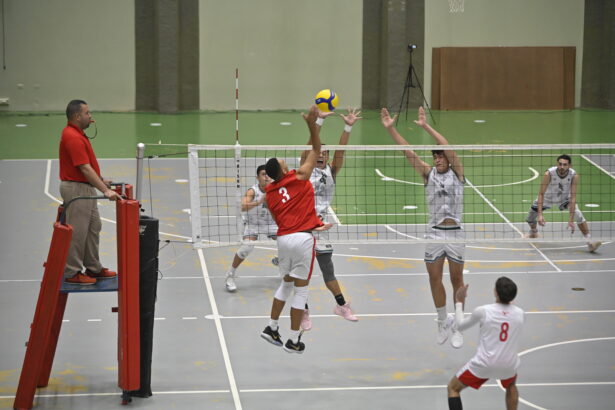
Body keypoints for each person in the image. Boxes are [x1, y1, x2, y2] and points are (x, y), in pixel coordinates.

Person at [381, 106, 465, 348]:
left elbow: (448, 146)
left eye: (441, 156)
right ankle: (442, 320)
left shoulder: (458, 174)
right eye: (435, 156)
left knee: (457, 280)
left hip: (456, 234)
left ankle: (459, 324)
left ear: (448, 158)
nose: (437, 158)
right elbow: (408, 151)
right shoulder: (428, 175)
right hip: (434, 233)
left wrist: (426, 126)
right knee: (433, 278)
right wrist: (391, 129)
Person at [260, 105, 332, 354]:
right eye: (283, 161)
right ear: (282, 170)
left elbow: (278, 217)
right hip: (302, 240)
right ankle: (293, 339)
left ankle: (271, 326)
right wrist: (312, 124)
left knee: (286, 284)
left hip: (283, 239)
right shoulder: (300, 176)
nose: (285, 161)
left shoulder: (269, 193)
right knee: (301, 290)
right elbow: (316, 150)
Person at [297, 108, 362, 330]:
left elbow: (341, 151)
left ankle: (342, 305)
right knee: (302, 273)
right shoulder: (305, 170)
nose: (322, 154)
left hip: (322, 228)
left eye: (325, 152)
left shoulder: (331, 171)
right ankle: (303, 311)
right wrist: (319, 122)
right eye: (319, 151)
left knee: (328, 270)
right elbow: (309, 148)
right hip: (302, 227)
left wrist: (348, 126)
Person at [59, 99, 122, 285]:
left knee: (93, 227)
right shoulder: (72, 136)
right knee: (78, 232)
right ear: (77, 116)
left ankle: (93, 267)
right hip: (77, 189)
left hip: (85, 188)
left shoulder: (78, 134)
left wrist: (101, 181)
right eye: (87, 113)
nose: (90, 116)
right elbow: (84, 168)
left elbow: (85, 169)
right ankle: (72, 273)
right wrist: (105, 190)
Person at [447, 277, 524, 410]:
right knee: (511, 385)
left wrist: (459, 302)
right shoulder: (520, 314)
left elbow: (460, 326)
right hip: (508, 364)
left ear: (496, 292)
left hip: (484, 363)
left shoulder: (483, 311)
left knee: (453, 388)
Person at [526, 154, 601, 252]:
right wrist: (540, 215)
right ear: (557, 164)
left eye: (565, 164)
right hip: (547, 198)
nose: (562, 167)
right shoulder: (549, 174)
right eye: (560, 164)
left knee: (577, 214)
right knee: (530, 218)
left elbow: (573, 197)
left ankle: (590, 242)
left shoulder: (574, 175)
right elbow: (541, 193)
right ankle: (534, 232)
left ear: (570, 166)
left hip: (564, 199)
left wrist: (571, 220)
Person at [224, 165, 278, 292]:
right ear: (257, 177)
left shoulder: (276, 188)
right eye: (264, 174)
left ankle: (280, 259)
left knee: (289, 242)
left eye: (269, 174)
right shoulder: (253, 191)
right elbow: (242, 207)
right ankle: (230, 276)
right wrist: (259, 202)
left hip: (271, 224)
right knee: (246, 248)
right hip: (253, 224)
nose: (267, 177)